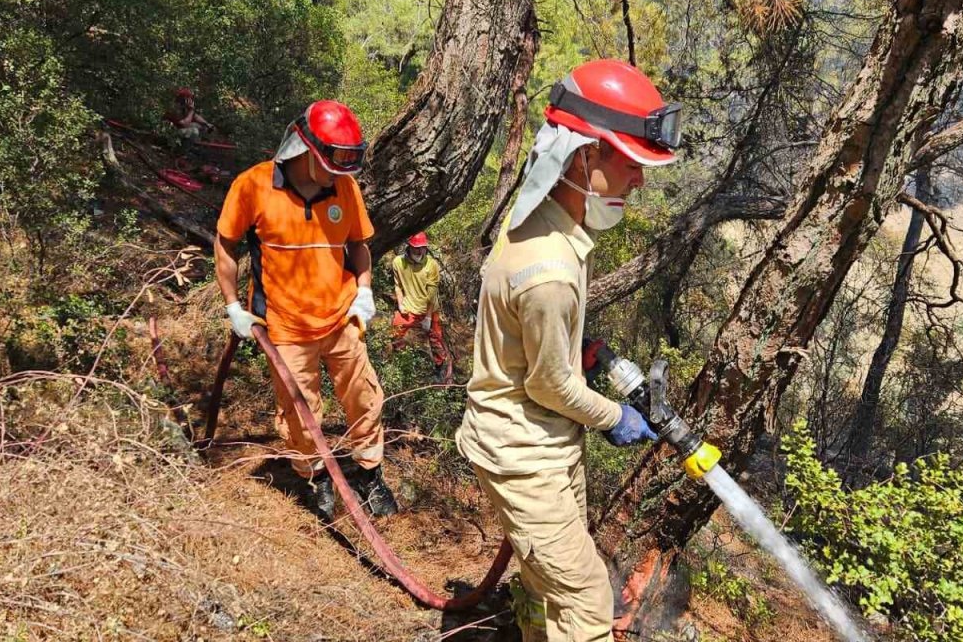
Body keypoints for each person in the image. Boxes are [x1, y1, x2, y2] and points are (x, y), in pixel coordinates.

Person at [455, 59, 682, 641]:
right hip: (525, 456)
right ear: (582, 155)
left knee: (540, 584)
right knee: (586, 597)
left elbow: (532, 344)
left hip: (542, 445)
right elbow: (547, 385)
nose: (639, 182)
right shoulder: (551, 268)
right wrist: (616, 417)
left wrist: (572, 349)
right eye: (630, 163)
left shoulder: (545, 221)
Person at [214, 99, 398, 518]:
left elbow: (358, 244)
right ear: (306, 150)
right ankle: (314, 478)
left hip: (340, 318)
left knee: (364, 398)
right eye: (334, 162)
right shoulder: (254, 185)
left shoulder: (345, 188)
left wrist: (364, 291)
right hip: (284, 327)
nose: (340, 173)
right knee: (300, 413)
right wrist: (232, 307)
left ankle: (370, 475)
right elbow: (225, 244)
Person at [390, 232, 452, 382]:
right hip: (409, 308)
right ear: (409, 246)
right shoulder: (398, 262)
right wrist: (400, 304)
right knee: (395, 334)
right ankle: (398, 366)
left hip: (429, 309)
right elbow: (398, 285)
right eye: (416, 248)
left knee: (436, 339)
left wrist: (428, 317)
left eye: (423, 248)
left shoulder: (431, 265)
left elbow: (431, 294)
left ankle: (439, 369)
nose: (420, 251)